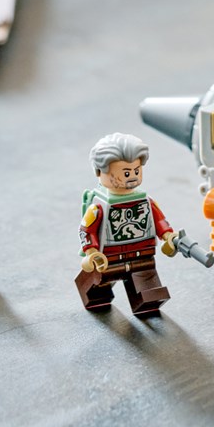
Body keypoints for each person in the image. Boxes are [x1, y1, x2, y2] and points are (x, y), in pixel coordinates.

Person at [76, 131, 178, 316]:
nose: (132, 177)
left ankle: (147, 305)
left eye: (136, 171)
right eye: (125, 172)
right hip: (108, 258)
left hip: (143, 256)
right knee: (98, 285)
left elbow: (159, 221)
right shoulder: (99, 206)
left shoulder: (146, 201)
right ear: (100, 171)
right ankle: (94, 294)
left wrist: (168, 235)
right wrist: (91, 252)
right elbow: (86, 230)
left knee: (150, 292)